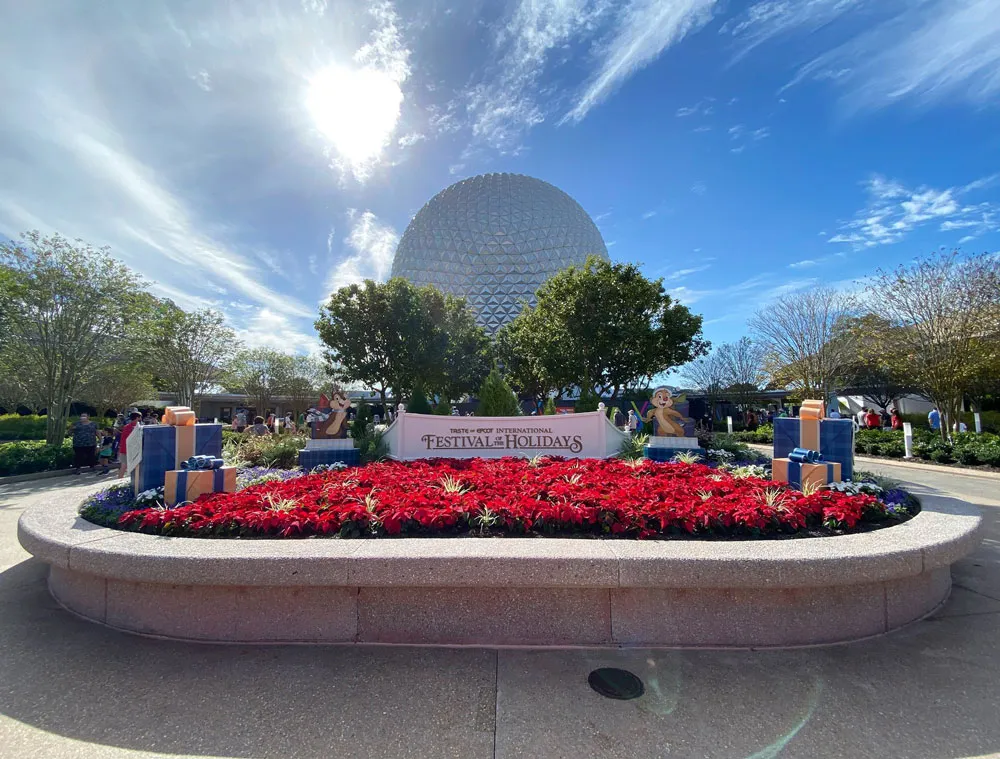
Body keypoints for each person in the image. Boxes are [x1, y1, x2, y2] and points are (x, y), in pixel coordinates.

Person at [117, 411, 142, 478]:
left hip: (127, 449)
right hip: (127, 450)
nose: (140, 419)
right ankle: (120, 479)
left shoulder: (130, 426)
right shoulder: (131, 427)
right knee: (124, 466)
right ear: (137, 418)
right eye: (140, 417)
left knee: (127, 466)